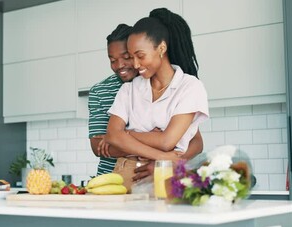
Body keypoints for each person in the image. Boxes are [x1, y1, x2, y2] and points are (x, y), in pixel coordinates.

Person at [88, 23, 203, 180]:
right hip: (111, 177)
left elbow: (192, 141)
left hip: (158, 175)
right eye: (112, 60)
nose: (120, 65)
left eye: (127, 57)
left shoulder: (180, 86)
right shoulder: (107, 91)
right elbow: (100, 145)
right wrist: (157, 147)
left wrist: (126, 136)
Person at [106, 8, 209, 164]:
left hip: (166, 177)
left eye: (140, 56)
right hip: (128, 177)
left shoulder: (190, 87)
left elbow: (167, 141)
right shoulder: (129, 89)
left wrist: (125, 134)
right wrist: (162, 156)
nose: (135, 64)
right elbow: (112, 139)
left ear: (162, 48)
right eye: (131, 57)